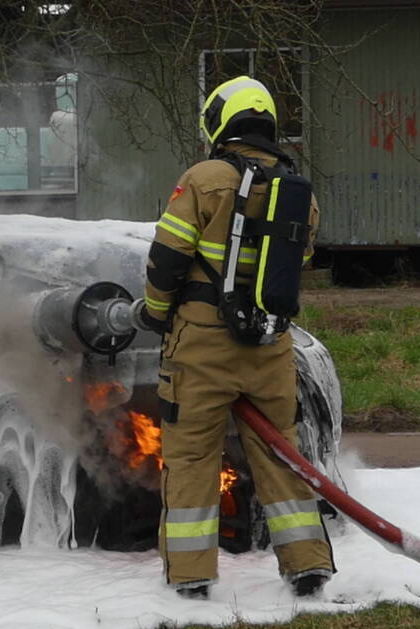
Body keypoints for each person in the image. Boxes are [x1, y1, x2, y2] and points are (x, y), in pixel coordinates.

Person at [134, 76, 333, 600]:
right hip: (271, 347)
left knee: (193, 457)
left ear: (220, 121)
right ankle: (307, 567)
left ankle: (191, 576)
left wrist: (155, 314)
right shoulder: (299, 194)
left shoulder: (205, 178)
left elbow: (168, 260)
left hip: (202, 344)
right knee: (281, 457)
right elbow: (298, 266)